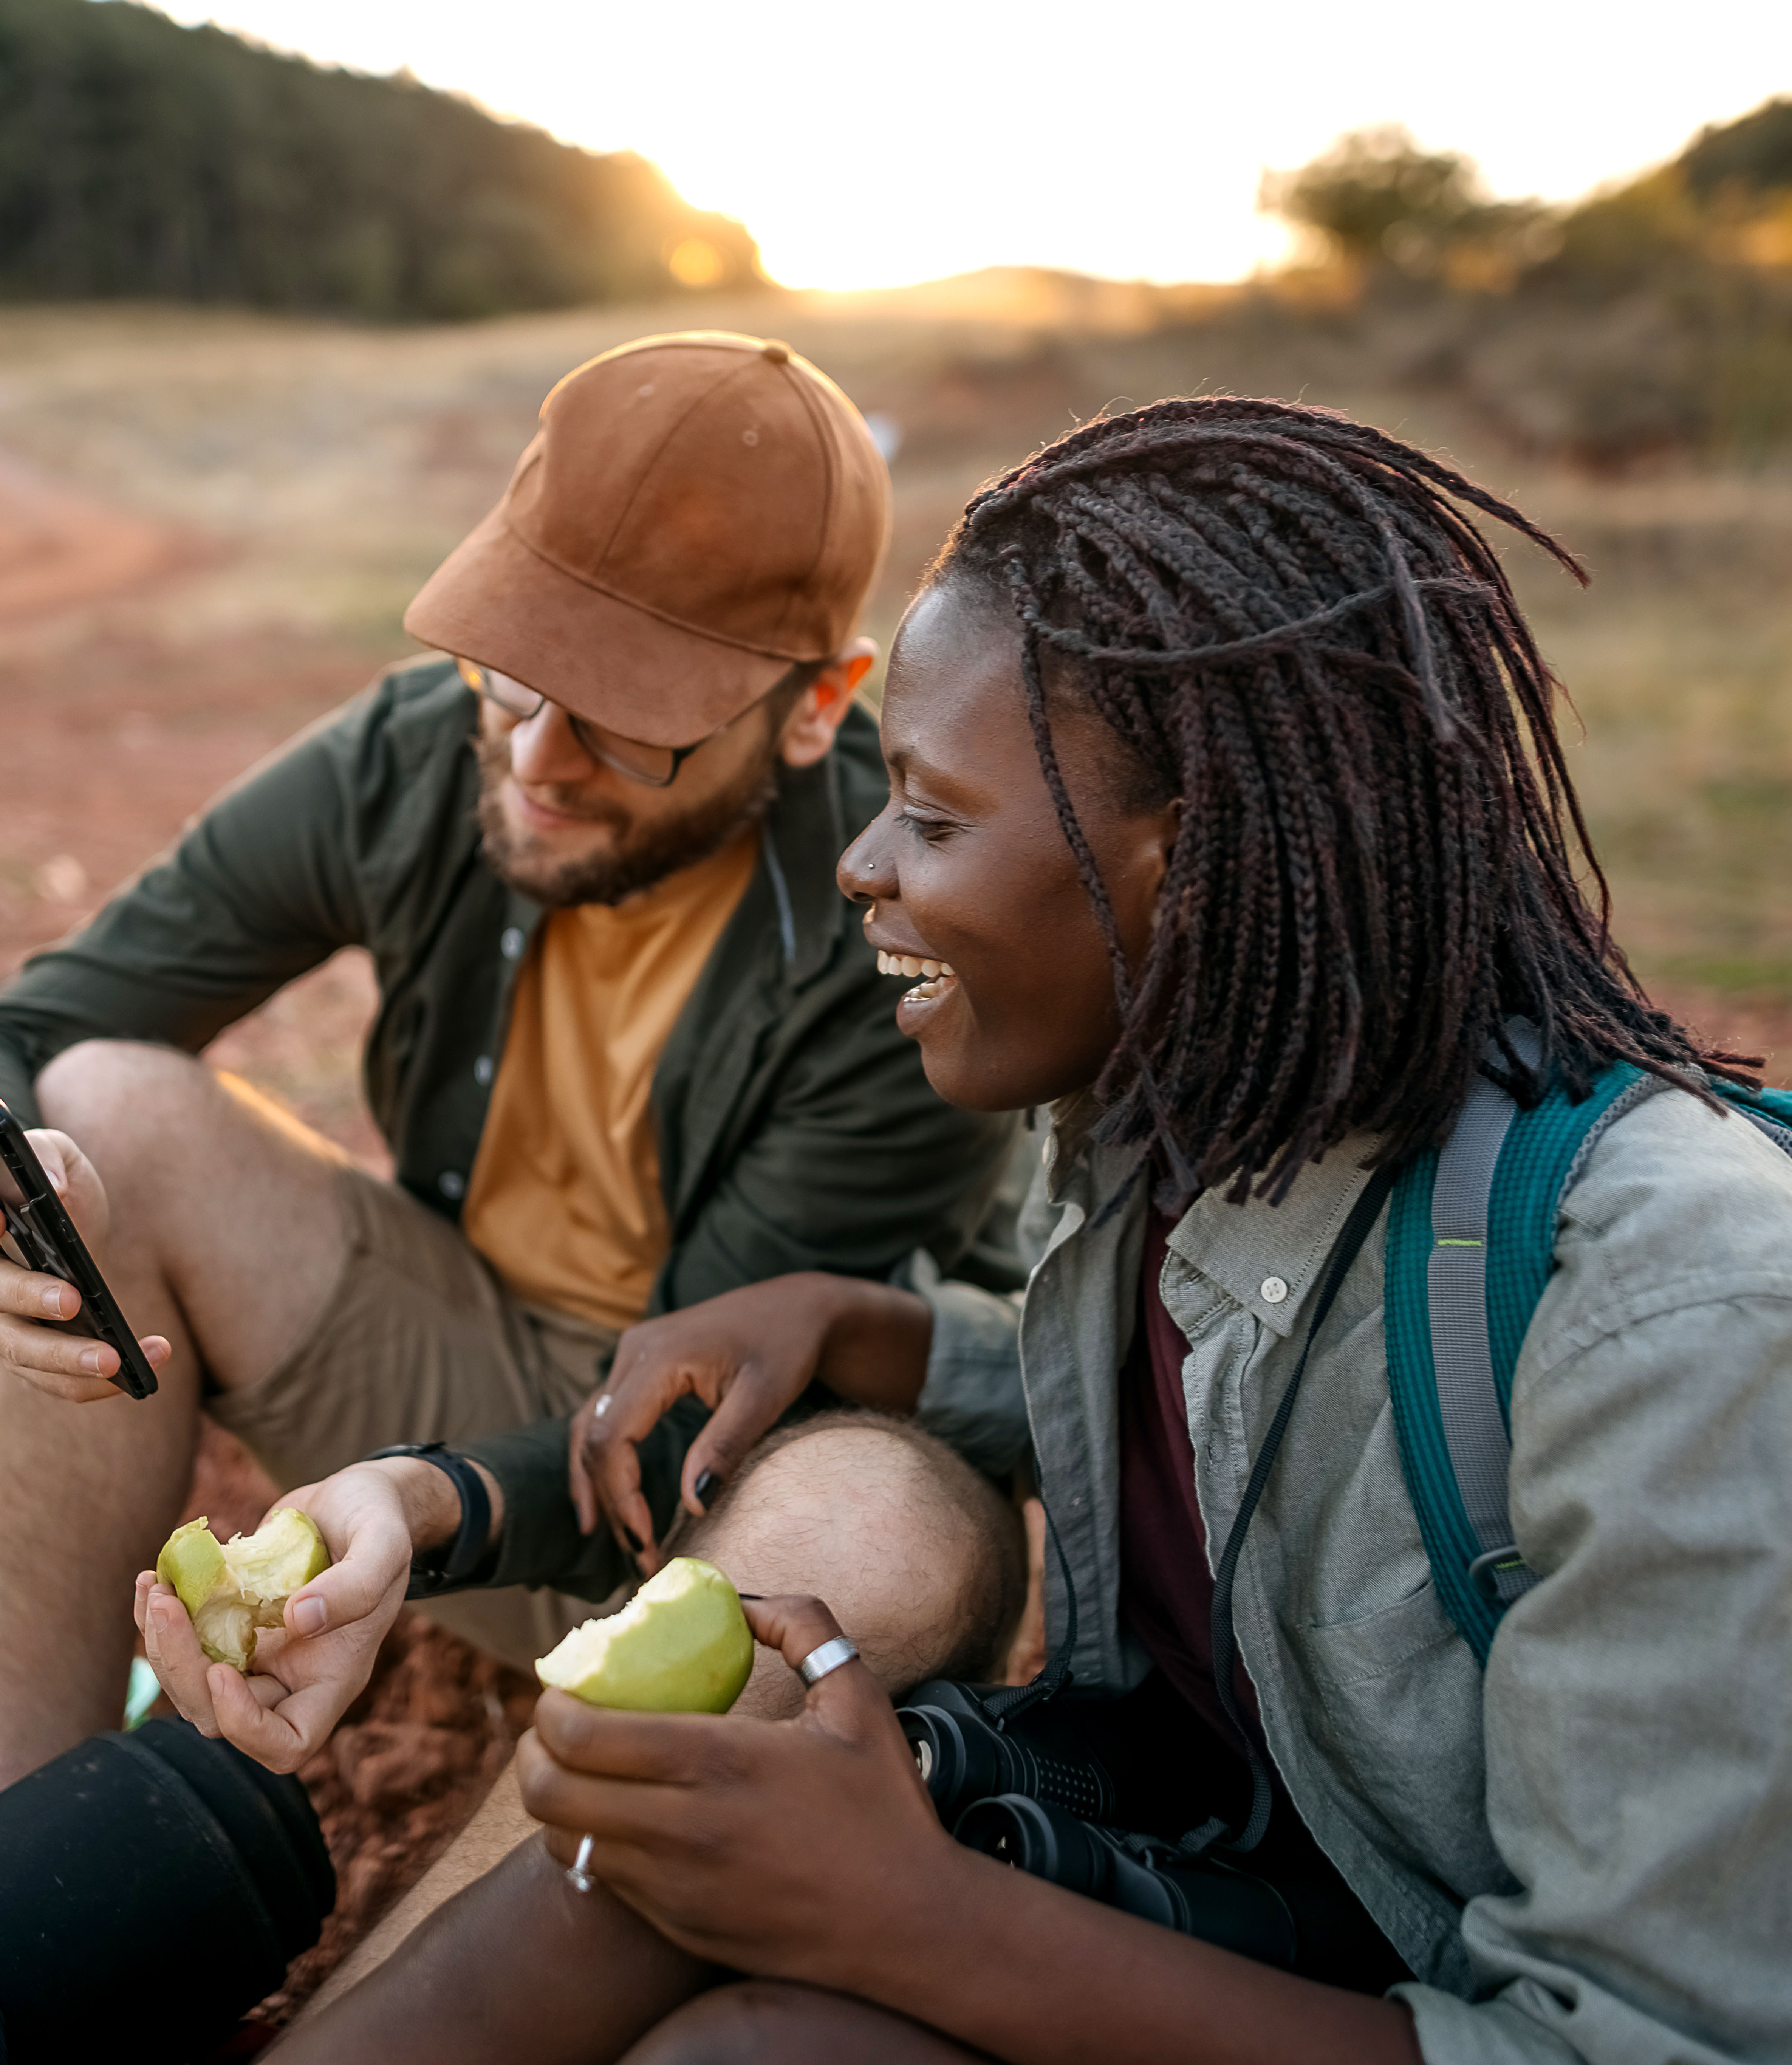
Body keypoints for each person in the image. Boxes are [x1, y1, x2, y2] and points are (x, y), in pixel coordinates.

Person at [266, 398, 1792, 2062]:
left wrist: (919, 1922)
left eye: (927, 812)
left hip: (1411, 1981)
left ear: (1186, 865)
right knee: (666, 1847)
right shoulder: (1185, 1099)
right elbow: (1248, 1409)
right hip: (1223, 1863)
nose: (862, 860)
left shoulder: (1677, 1317)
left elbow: (1639, 2043)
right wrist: (882, 1332)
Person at [0, 330, 1018, 1802]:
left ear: (814, 702)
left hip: (717, 1495)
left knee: (866, 1525)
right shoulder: (420, 756)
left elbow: (694, 1443)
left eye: (626, 717)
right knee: (95, 1112)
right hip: (472, 1361)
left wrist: (424, 1501)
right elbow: (16, 1034)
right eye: (511, 665)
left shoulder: (891, 935)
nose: (537, 756)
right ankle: (8, 1856)